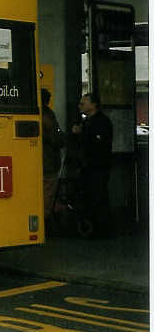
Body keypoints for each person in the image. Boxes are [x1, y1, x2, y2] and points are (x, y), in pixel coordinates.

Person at [71, 92, 113, 237]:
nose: (80, 106)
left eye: (83, 103)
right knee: (89, 196)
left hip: (97, 166)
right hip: (87, 166)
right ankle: (92, 227)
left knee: (98, 196)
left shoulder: (101, 122)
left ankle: (101, 229)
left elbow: (97, 144)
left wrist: (81, 133)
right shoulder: (86, 122)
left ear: (93, 105)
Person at [39, 88, 64, 222]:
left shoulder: (34, 112)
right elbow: (56, 138)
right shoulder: (47, 115)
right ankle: (45, 222)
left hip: (38, 161)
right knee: (47, 194)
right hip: (48, 161)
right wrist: (65, 138)